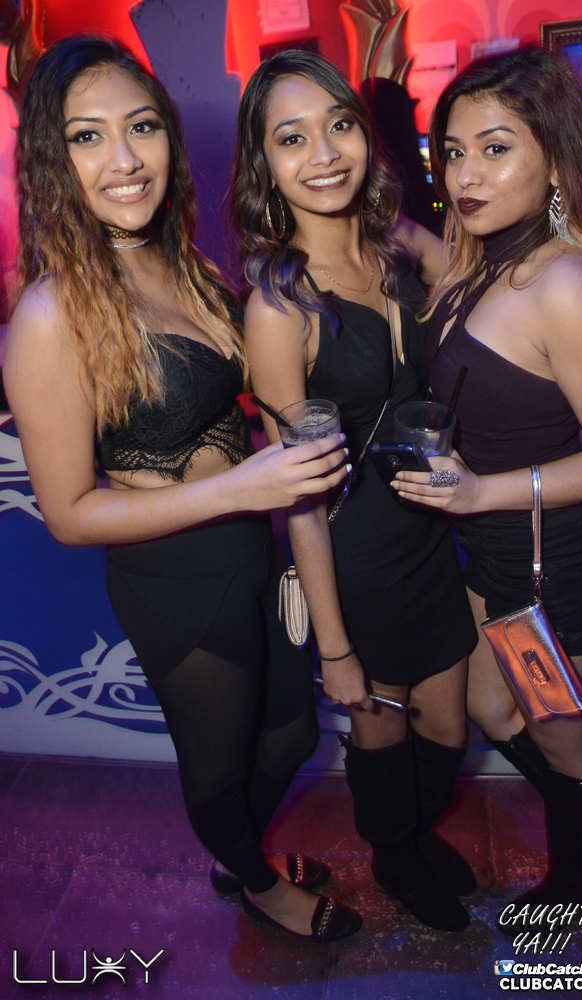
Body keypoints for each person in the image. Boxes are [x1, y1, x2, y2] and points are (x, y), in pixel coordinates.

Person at [3, 35, 362, 943]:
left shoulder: (185, 263)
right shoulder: (50, 313)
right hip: (175, 584)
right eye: (87, 137)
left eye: (142, 127)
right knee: (217, 766)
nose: (124, 159)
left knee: (291, 736)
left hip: (254, 553)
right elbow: (69, 515)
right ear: (51, 159)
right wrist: (245, 487)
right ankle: (257, 881)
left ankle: (239, 855)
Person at [392, 47, 582, 911]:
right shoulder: (478, 262)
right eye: (453, 152)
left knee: (564, 744)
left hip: (560, 569)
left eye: (495, 148)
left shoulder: (565, 284)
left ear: (552, 158)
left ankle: (581, 880)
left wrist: (479, 493)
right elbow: (412, 248)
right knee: (492, 709)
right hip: (496, 557)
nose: (465, 174)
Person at [232, 50, 478, 932]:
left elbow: (494, 277)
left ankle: (411, 830)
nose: (324, 153)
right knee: (383, 728)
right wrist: (332, 647)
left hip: (430, 532)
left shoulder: (397, 244)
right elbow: (295, 495)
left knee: (448, 725)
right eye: (291, 138)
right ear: (264, 164)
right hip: (354, 554)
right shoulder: (280, 305)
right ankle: (396, 851)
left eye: (338, 126)